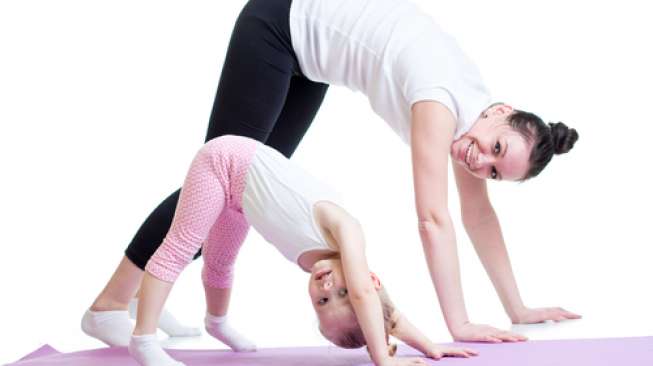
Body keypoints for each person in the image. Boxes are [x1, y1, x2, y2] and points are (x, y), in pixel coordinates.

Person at [83, 0, 580, 347]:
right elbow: (434, 219)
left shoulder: (475, 124)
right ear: (502, 111)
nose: (481, 163)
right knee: (220, 175)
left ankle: (134, 297)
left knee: (242, 187)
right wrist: (460, 323)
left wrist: (518, 308)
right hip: (279, 23)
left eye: (495, 170)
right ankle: (111, 304)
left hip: (309, 58)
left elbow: (479, 217)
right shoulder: (442, 102)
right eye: (495, 150)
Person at [126, 135, 477, 366]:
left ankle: (216, 322)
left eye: (323, 302)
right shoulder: (348, 233)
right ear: (369, 281)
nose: (326, 289)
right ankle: (143, 339)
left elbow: (385, 312)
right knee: (180, 246)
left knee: (220, 263)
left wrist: (430, 346)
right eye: (342, 293)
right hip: (223, 162)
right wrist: (381, 358)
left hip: (239, 199)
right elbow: (366, 294)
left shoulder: (343, 273)